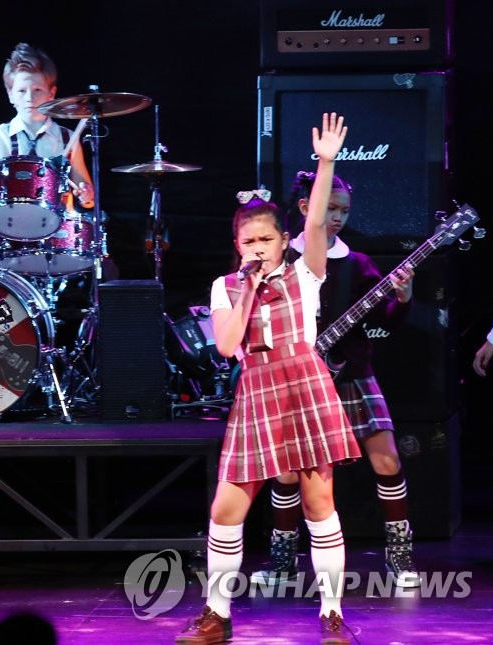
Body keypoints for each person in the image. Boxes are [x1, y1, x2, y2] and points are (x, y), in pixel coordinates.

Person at [176, 113, 359, 645]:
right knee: (226, 508)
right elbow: (226, 345)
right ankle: (216, 615)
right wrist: (249, 292)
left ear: (283, 240)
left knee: (318, 504)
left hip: (304, 384)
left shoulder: (306, 271)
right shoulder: (226, 286)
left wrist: (325, 163)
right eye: (248, 240)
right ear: (237, 244)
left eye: (265, 239)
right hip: (256, 390)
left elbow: (318, 221)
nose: (257, 247)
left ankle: (331, 616)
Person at [250, 171, 420, 590]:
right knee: (287, 473)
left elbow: (387, 321)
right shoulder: (281, 258)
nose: (339, 217)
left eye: (344, 210)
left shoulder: (357, 263)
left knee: (387, 460)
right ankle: (283, 563)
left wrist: (403, 298)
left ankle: (400, 558)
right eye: (330, 208)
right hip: (294, 378)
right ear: (305, 207)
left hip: (351, 374)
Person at [0, 42, 95, 210]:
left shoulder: (68, 137)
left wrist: (86, 194)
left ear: (51, 93)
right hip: (13, 220)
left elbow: (88, 202)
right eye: (21, 91)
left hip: (59, 224)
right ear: (10, 95)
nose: (29, 98)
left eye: (37, 90)